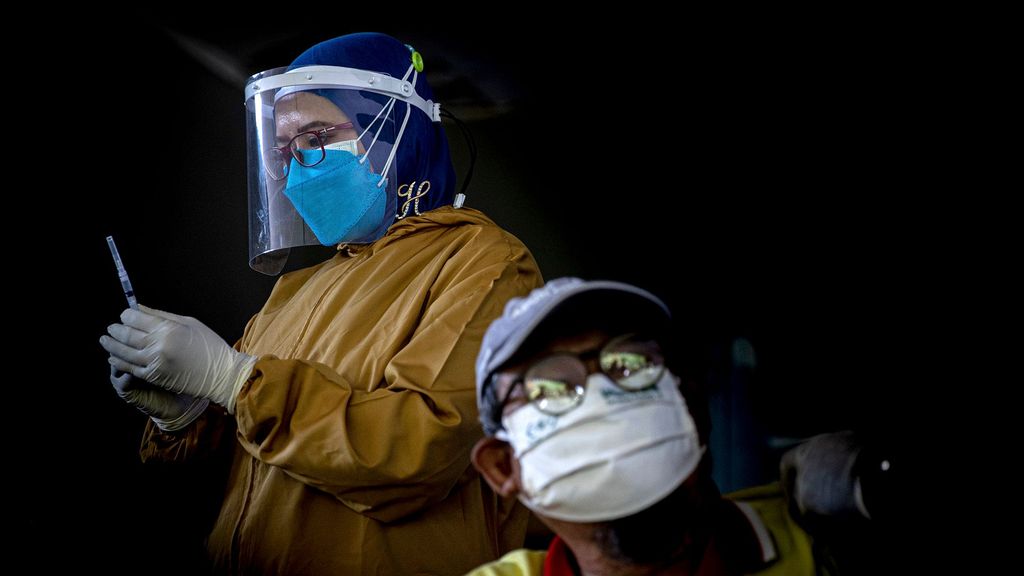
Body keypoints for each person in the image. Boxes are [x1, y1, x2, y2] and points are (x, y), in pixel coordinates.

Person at [99, 32, 542, 575]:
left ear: (396, 132)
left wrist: (237, 383)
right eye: (283, 150)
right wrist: (187, 418)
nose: (293, 168)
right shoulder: (295, 291)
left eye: (314, 137)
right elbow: (251, 483)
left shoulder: (480, 261)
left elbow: (419, 452)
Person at [468, 277, 831, 576]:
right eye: (548, 388)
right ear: (502, 466)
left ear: (690, 406)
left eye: (631, 364)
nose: (603, 395)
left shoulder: (830, 539)